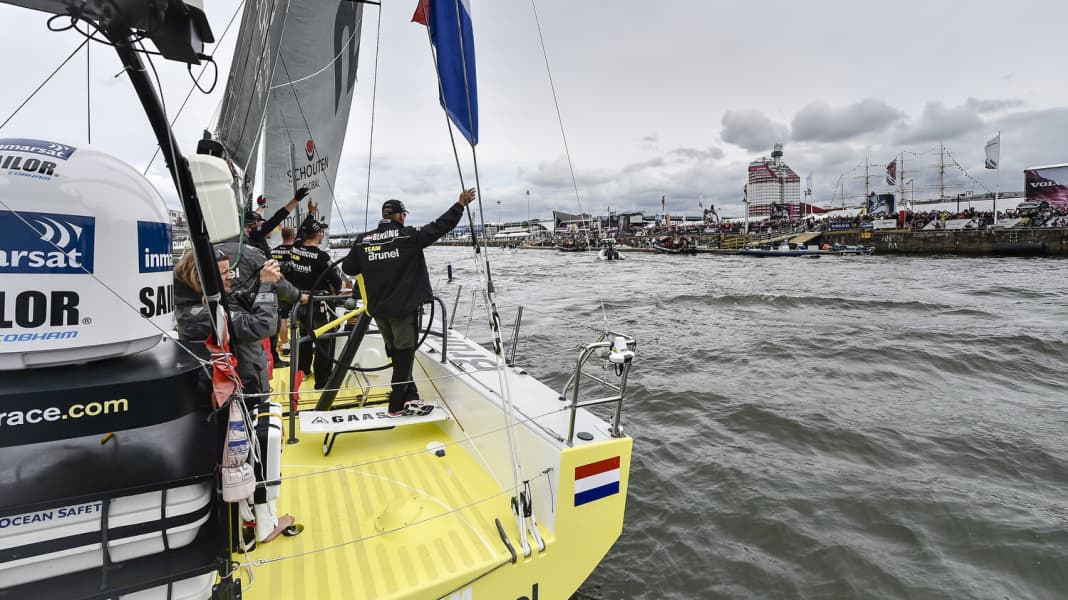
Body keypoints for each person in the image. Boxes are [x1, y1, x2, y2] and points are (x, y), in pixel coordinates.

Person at [341, 188, 476, 417]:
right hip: (403, 310)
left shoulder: (363, 240)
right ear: (401, 216)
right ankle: (395, 406)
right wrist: (460, 204)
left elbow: (348, 268)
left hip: (379, 310)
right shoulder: (408, 236)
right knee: (404, 355)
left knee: (395, 353)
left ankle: (410, 398)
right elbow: (439, 227)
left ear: (384, 217)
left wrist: (374, 261)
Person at [174, 249, 282, 403]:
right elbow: (263, 325)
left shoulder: (208, 300)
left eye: (229, 271)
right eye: (224, 273)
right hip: (237, 396)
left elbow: (238, 301)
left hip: (247, 385)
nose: (229, 277)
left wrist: (259, 283)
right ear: (203, 278)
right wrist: (267, 285)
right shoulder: (200, 315)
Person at [284, 201, 343, 389]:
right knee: (324, 341)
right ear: (318, 234)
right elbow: (338, 282)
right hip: (319, 304)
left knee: (304, 337)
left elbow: (301, 230)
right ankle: (322, 381)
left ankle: (303, 371)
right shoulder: (321, 257)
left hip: (300, 302)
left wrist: (311, 213)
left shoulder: (295, 247)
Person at [245, 187, 310, 256]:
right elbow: (277, 218)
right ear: (251, 225)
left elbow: (253, 216)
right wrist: (295, 200)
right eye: (259, 223)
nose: (261, 224)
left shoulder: (249, 232)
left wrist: (261, 206)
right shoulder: (256, 233)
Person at [271, 226, 299, 358]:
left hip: (278, 288)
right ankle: (300, 343)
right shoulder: (296, 252)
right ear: (293, 235)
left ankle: (285, 345)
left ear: (282, 236)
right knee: (299, 318)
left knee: (282, 318)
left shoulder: (273, 251)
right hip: (293, 288)